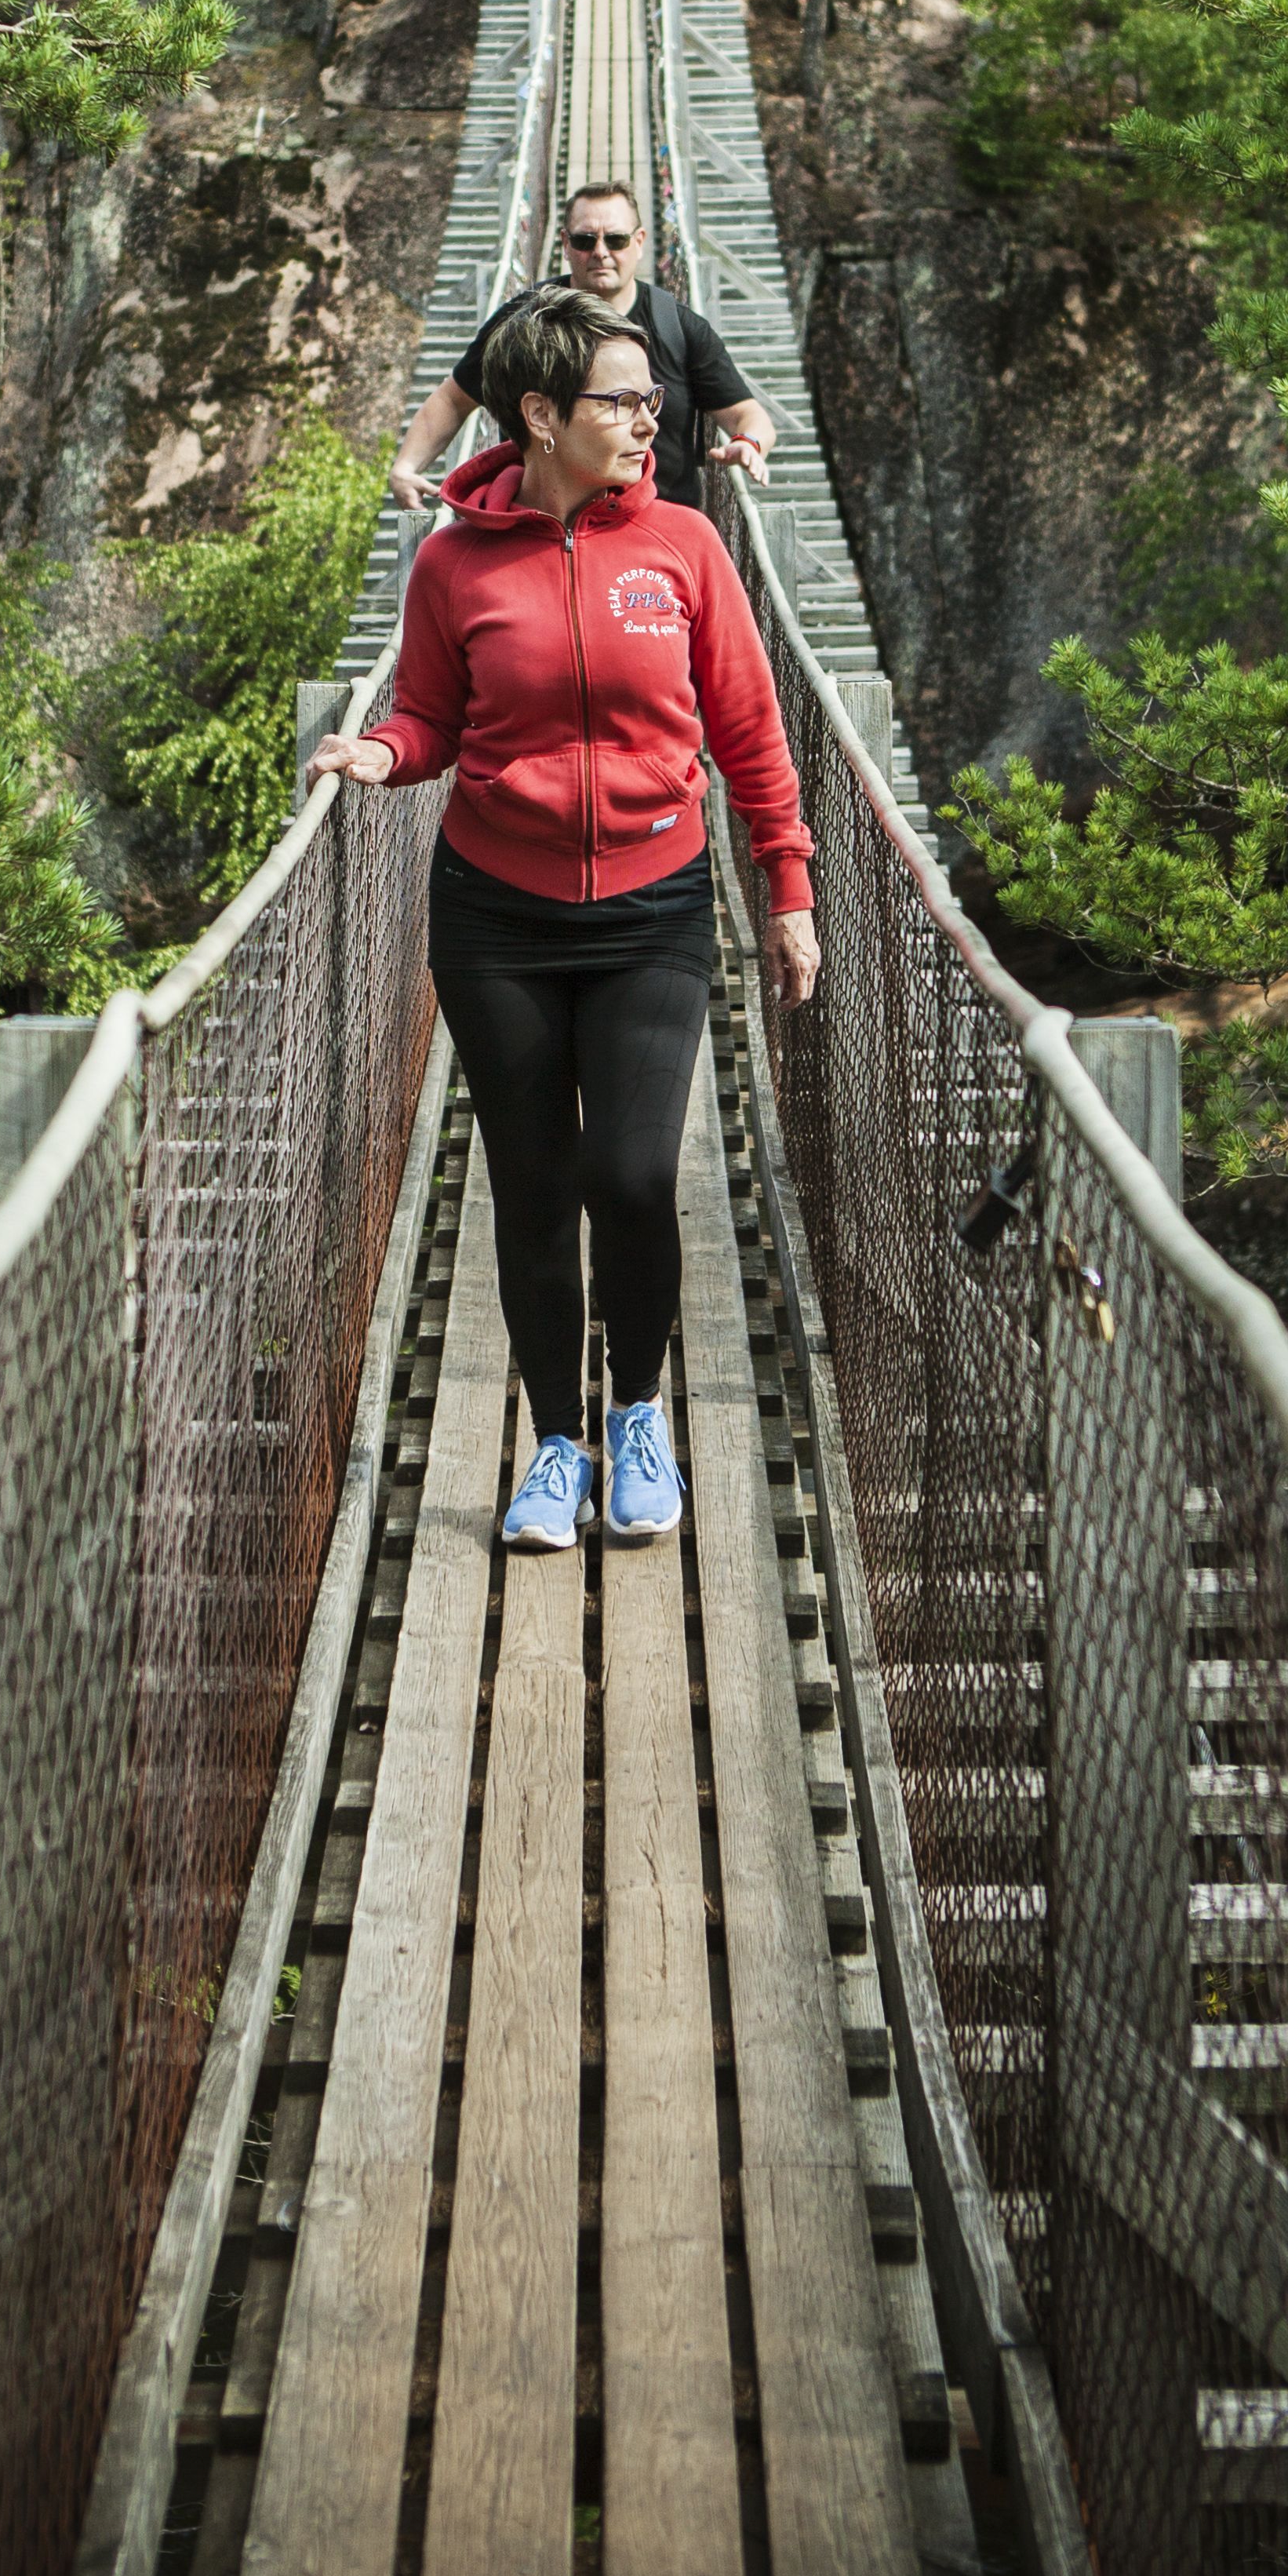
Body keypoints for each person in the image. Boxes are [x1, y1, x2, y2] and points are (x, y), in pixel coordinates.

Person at [312, 286, 819, 1552]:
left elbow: (751, 730)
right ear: (539, 414)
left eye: (656, 399)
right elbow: (429, 711)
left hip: (653, 901)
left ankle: (636, 1412)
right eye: (624, 401)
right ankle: (555, 1441)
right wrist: (381, 753)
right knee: (533, 1189)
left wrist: (788, 890)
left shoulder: (686, 546)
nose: (652, 420)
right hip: (494, 916)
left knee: (633, 1175)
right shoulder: (452, 560)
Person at [386, 178, 774, 519]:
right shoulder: (525, 323)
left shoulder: (679, 328)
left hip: (659, 536)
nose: (601, 251)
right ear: (565, 245)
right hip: (541, 533)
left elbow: (747, 415)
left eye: (617, 239)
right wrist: (406, 466)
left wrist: (748, 443)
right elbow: (455, 399)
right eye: (586, 240)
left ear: (640, 243)